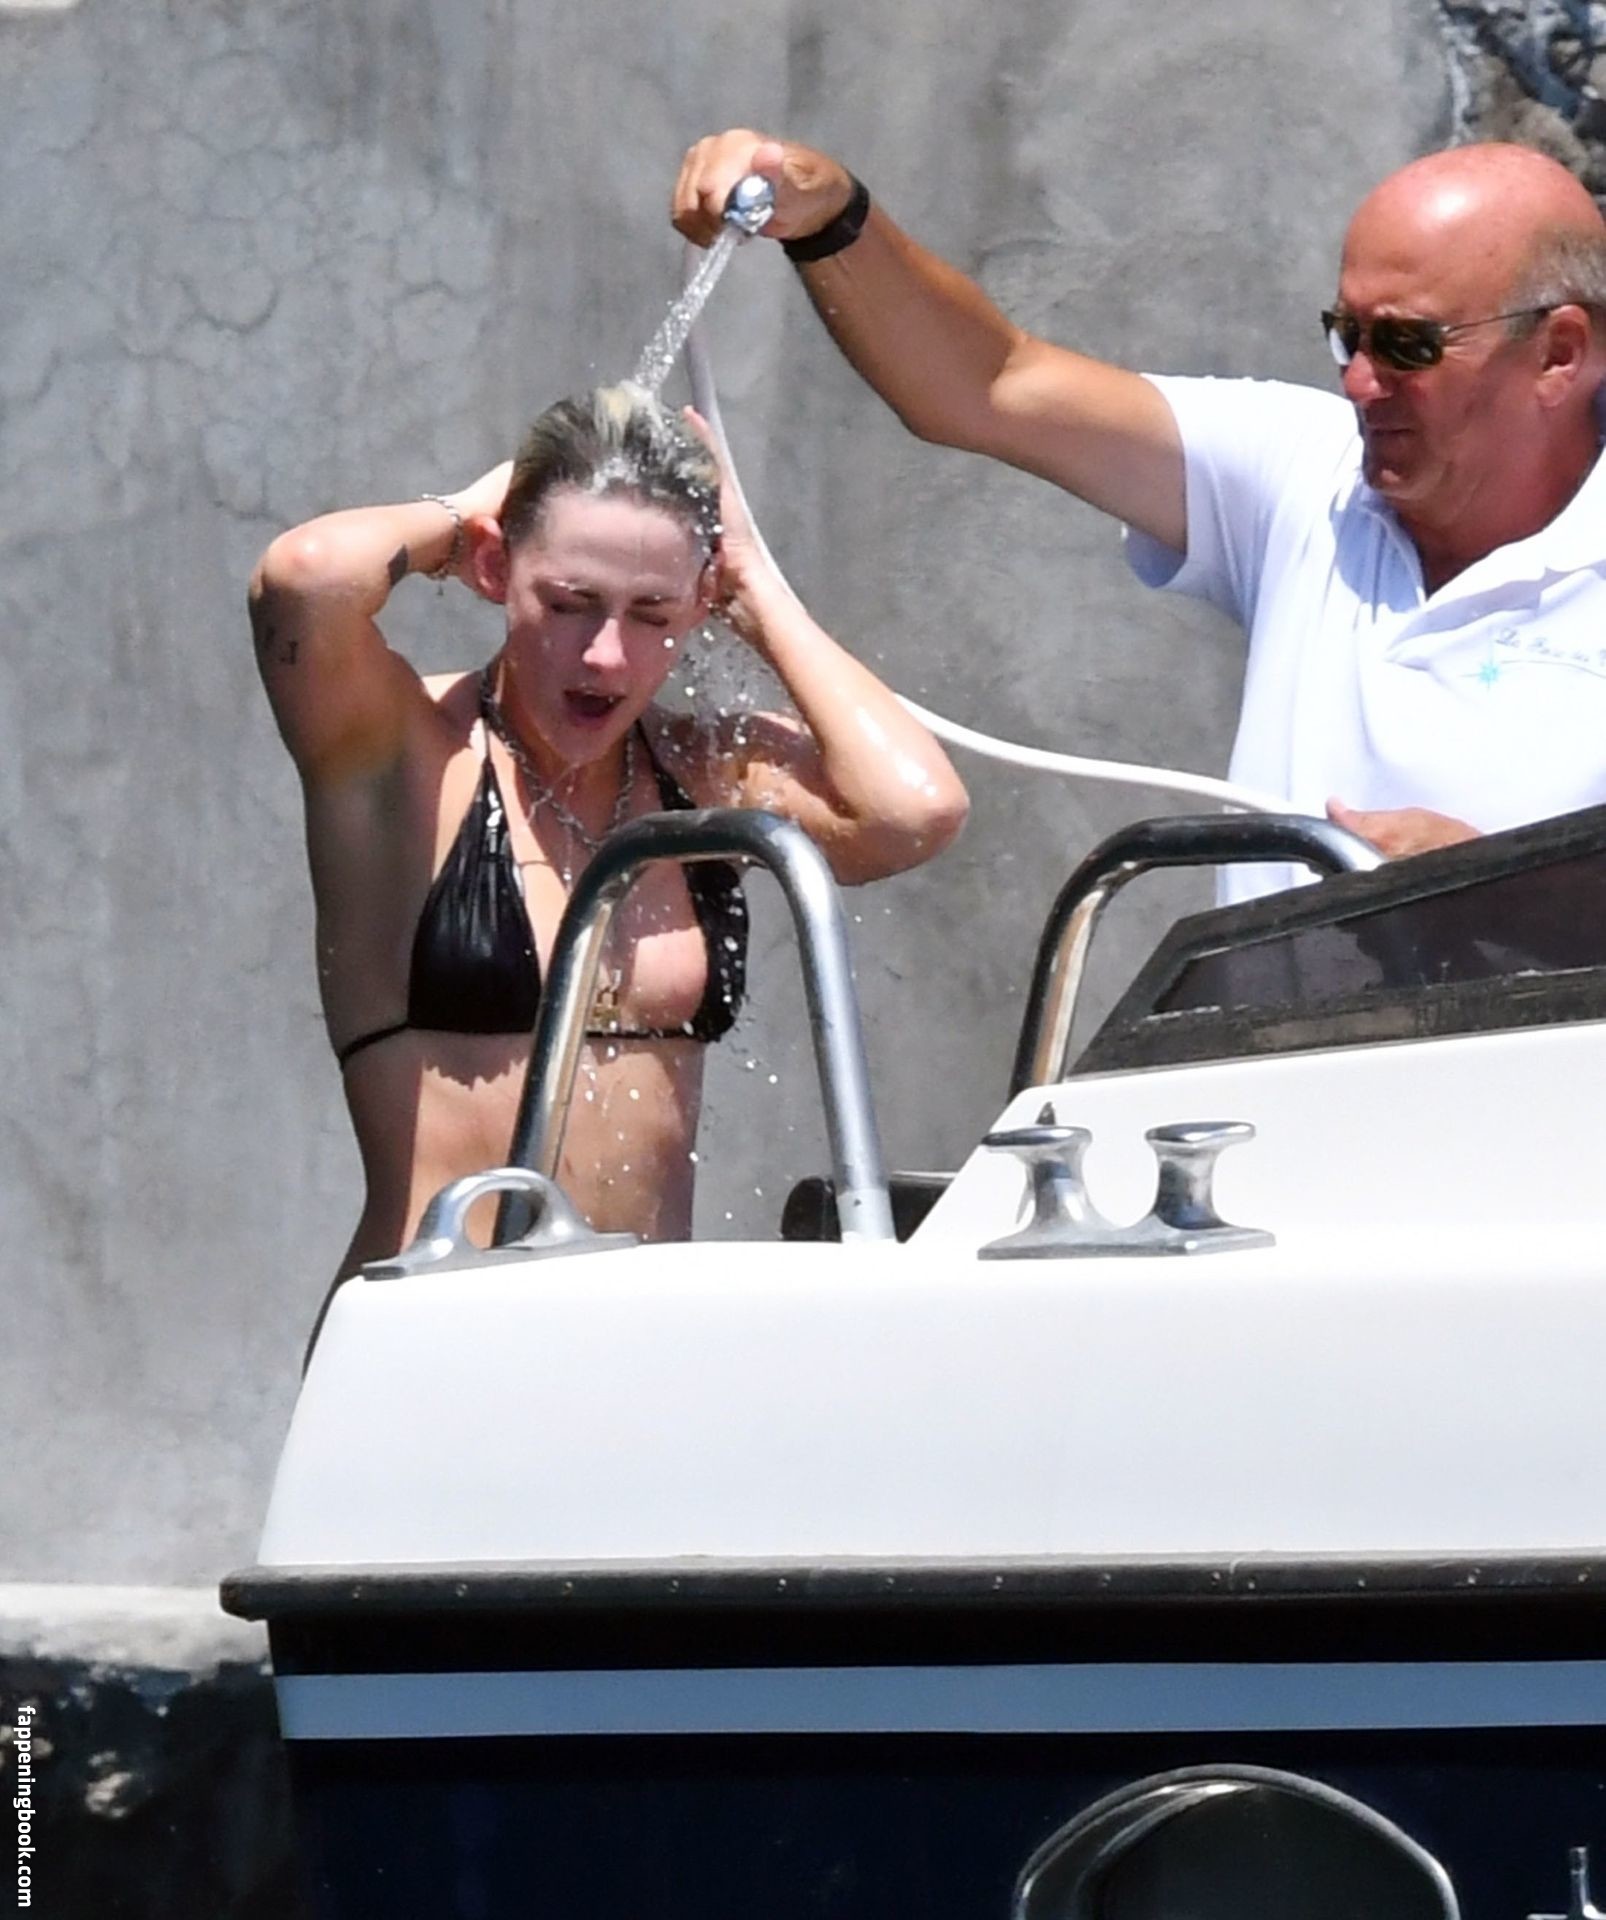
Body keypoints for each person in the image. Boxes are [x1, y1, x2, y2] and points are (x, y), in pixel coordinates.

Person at [672, 133, 1606, 900]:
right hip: (1266, 1067)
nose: (1360, 382)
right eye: (1347, 335)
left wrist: (1508, 892)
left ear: (1560, 354)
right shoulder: (1307, 475)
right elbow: (991, 385)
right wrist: (832, 219)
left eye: (1407, 344)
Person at [250, 384, 968, 1275]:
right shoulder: (406, 754)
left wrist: (754, 585)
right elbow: (307, 577)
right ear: (493, 570)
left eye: (653, 614)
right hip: (435, 1319)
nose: (605, 655)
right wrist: (467, 515)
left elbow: (913, 810)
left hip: (639, 1328)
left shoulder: (703, 774)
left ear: (700, 602)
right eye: (568, 603)